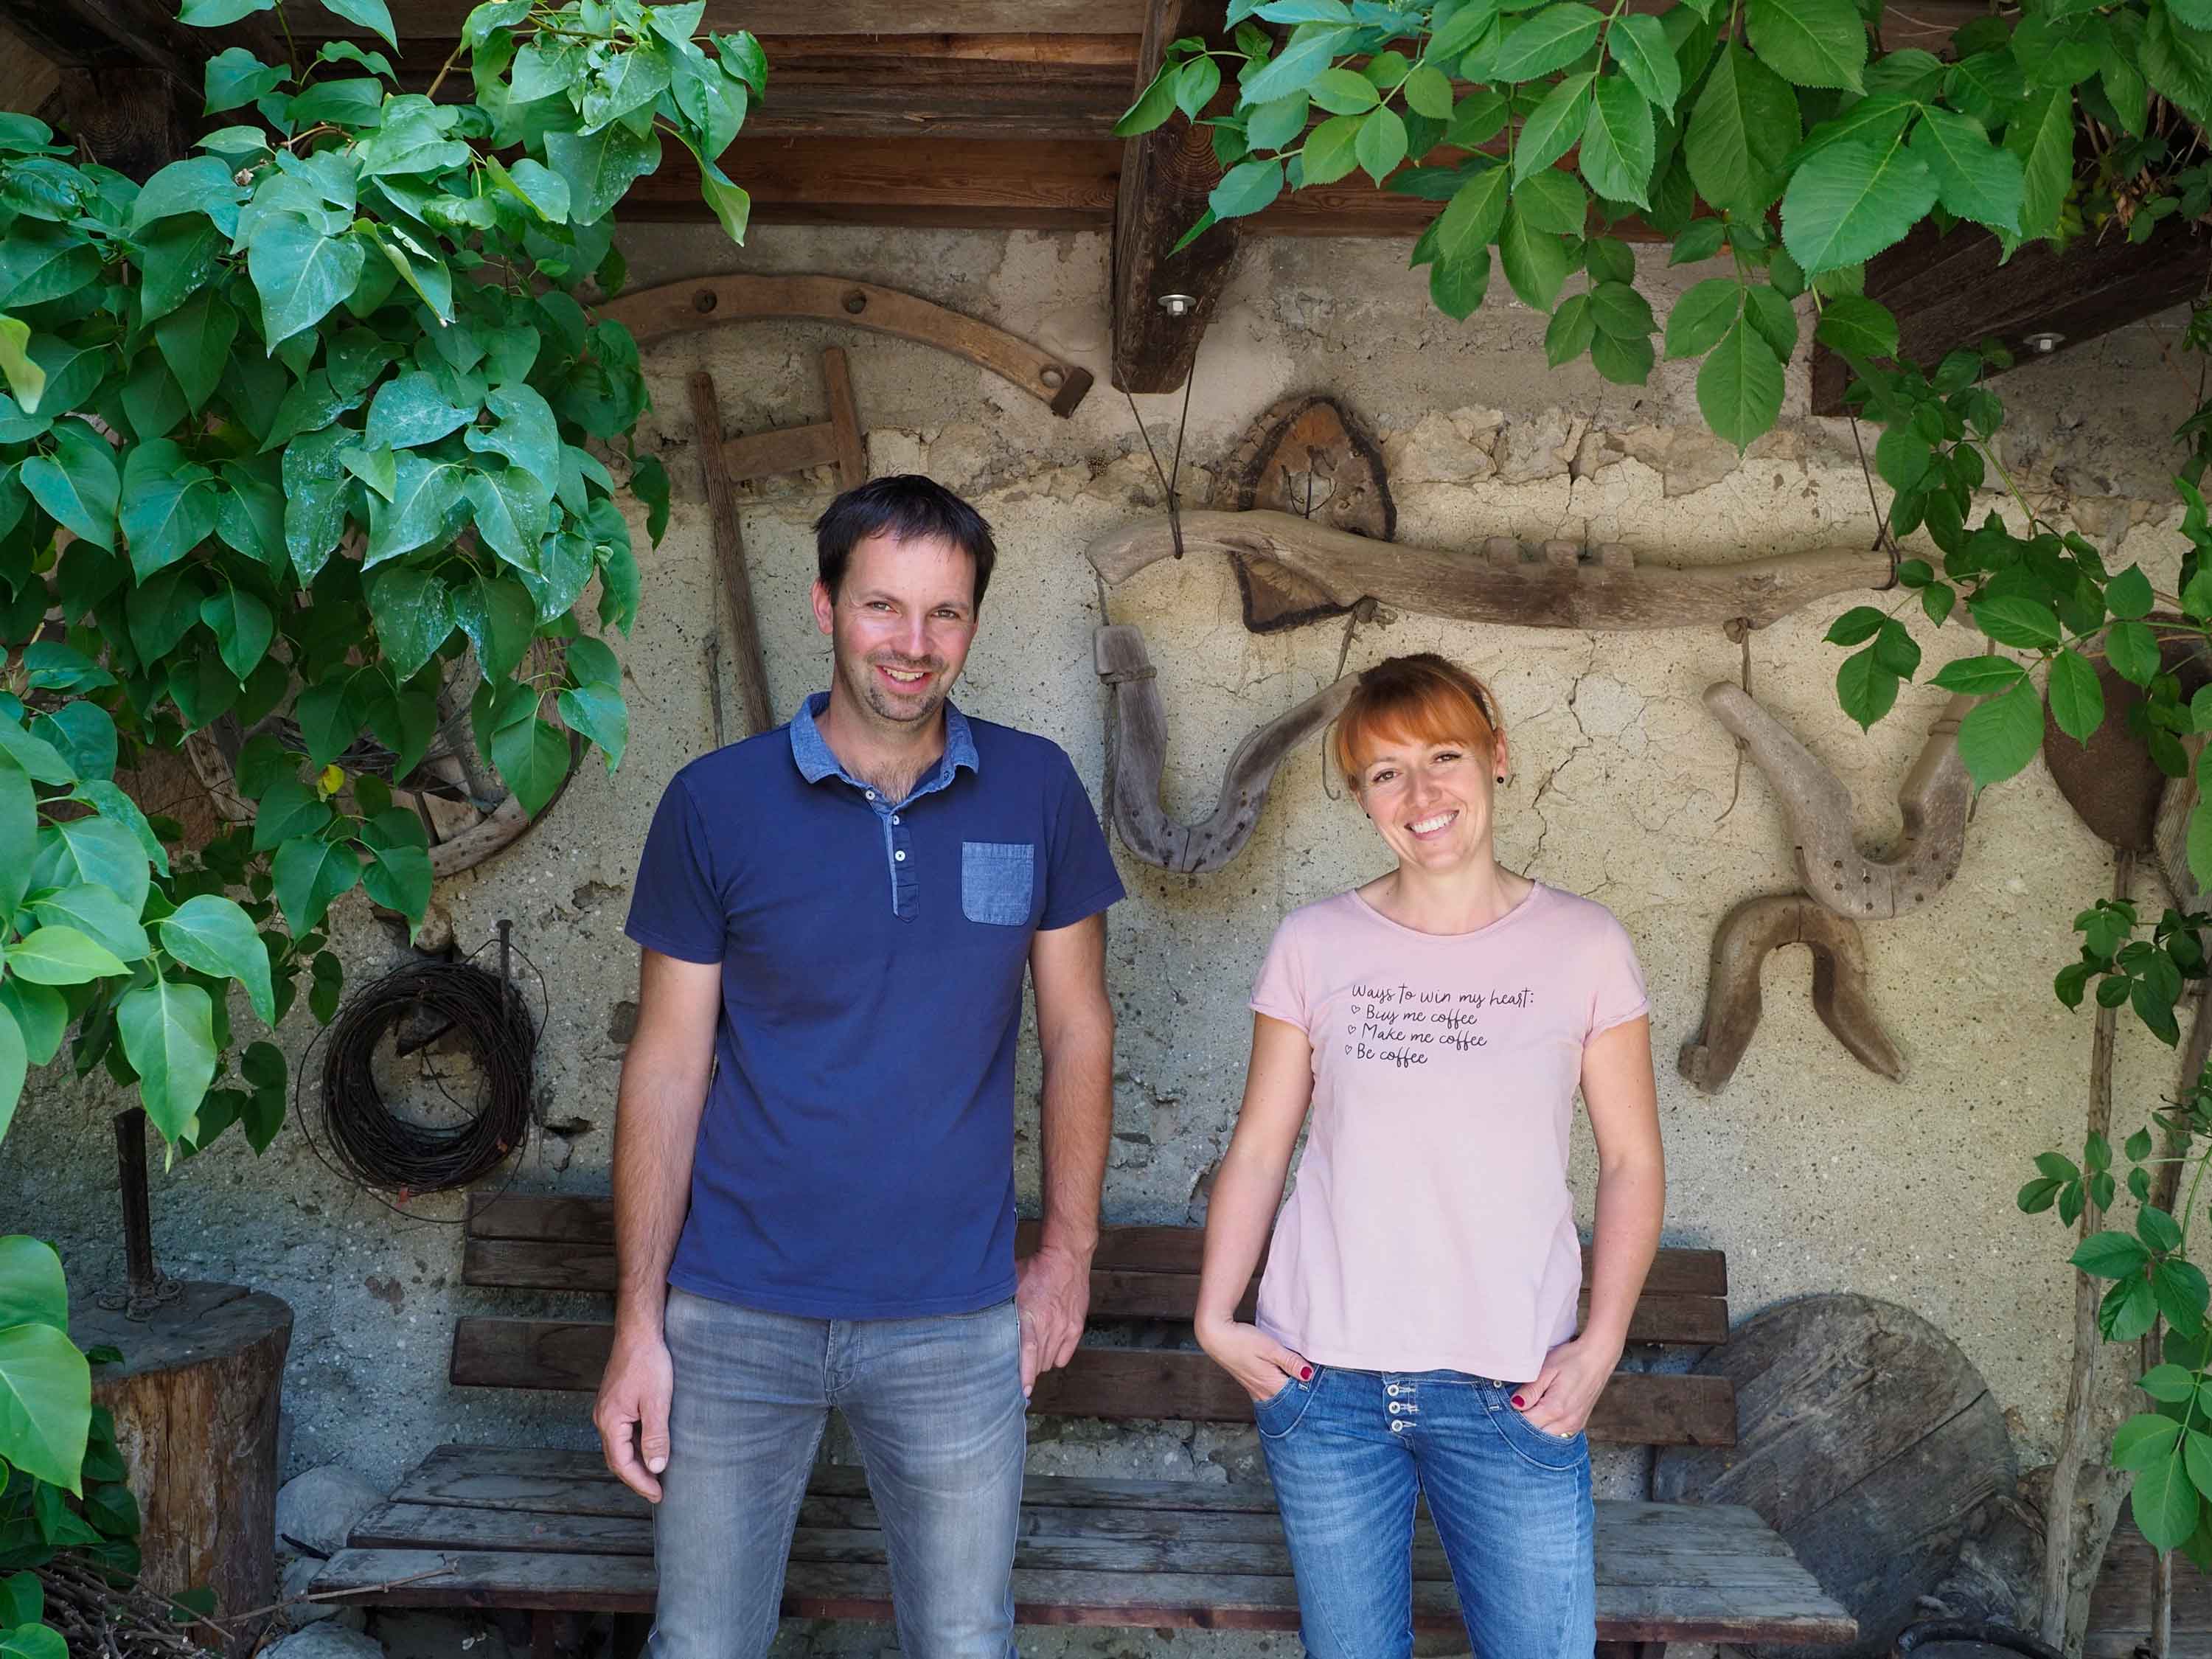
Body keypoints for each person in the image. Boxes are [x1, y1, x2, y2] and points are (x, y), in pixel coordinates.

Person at [594, 475, 1124, 1659]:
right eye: (884, 605)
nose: (913, 643)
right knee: (702, 1645)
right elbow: (667, 1065)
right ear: (826, 604)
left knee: (965, 1643)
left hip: (955, 1319)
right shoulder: (715, 803)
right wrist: (639, 1323)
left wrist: (1068, 1255)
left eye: (945, 612)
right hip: (734, 1311)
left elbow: (1079, 1031)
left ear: (974, 622)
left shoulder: (1036, 789)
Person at [1194, 652, 1663, 1659]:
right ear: (1362, 796)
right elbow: (1262, 1145)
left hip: (1512, 1390)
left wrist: (1601, 1345)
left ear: (1498, 756)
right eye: (1386, 772)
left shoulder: (1585, 944)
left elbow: (1631, 1161)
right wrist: (1215, 1317)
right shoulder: (1314, 943)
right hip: (1326, 1386)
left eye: (1443, 756)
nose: (1421, 794)